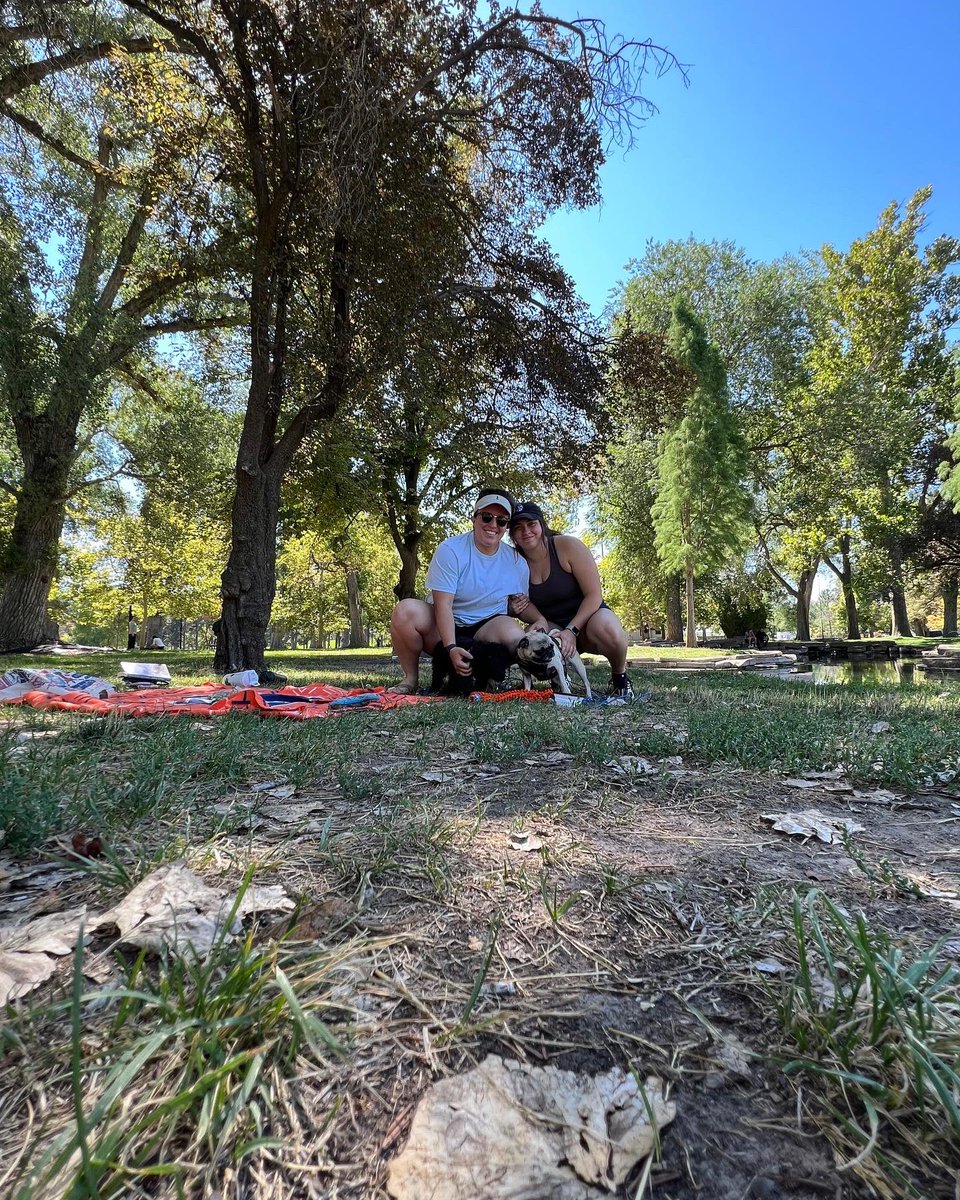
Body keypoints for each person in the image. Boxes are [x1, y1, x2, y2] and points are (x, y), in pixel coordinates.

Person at [388, 487, 543, 694]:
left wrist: (539, 619)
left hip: (486, 627)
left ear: (506, 526)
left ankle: (493, 677)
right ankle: (410, 679)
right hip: (444, 625)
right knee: (405, 610)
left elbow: (520, 603)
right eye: (486, 517)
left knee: (515, 635)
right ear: (474, 518)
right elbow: (443, 605)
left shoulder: (516, 561)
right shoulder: (451, 550)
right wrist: (451, 647)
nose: (493, 525)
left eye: (501, 521)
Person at [509, 501, 634, 699]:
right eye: (518, 527)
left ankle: (620, 678)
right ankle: (557, 677)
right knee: (526, 636)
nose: (526, 531)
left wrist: (571, 630)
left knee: (610, 629)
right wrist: (534, 617)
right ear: (512, 534)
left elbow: (594, 595)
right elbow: (520, 603)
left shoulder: (566, 546)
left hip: (589, 622)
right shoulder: (513, 562)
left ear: (541, 524)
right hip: (553, 629)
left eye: (531, 524)